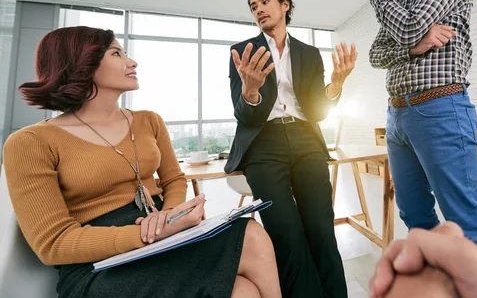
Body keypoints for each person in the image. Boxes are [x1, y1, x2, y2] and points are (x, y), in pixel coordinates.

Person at [2, 26, 281, 298]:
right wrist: (150, 234)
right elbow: (53, 244)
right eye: (117, 54)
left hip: (165, 238)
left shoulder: (149, 120)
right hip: (101, 264)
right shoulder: (30, 142)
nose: (132, 62)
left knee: (250, 239)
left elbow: (173, 179)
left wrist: (171, 216)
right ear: (82, 62)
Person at [366, 0, 477, 238]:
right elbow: (376, 55)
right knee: (414, 216)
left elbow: (409, 26)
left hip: (440, 108)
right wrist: (413, 48)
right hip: (397, 118)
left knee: (465, 221)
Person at [226, 0, 357, 297]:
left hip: (305, 139)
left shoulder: (309, 54)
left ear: (285, 5)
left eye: (265, 1)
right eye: (253, 6)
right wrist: (251, 91)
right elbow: (245, 114)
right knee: (286, 232)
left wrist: (336, 85)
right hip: (264, 143)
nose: (259, 10)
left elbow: (317, 111)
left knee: (321, 229)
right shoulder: (242, 53)